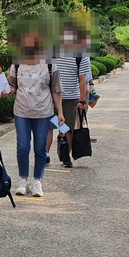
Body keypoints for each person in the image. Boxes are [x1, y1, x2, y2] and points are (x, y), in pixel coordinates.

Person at [7, 31, 64, 198]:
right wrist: (7, 90)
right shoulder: (16, 64)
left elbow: (56, 89)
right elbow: (12, 85)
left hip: (43, 112)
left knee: (40, 147)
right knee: (23, 146)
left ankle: (37, 180)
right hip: (22, 112)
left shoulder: (49, 65)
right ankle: (23, 180)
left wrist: (60, 112)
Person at [45, 23, 92, 167]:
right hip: (52, 97)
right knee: (49, 127)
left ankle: (66, 155)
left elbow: (83, 80)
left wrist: (82, 101)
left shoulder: (80, 55)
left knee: (68, 128)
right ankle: (45, 155)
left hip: (71, 98)